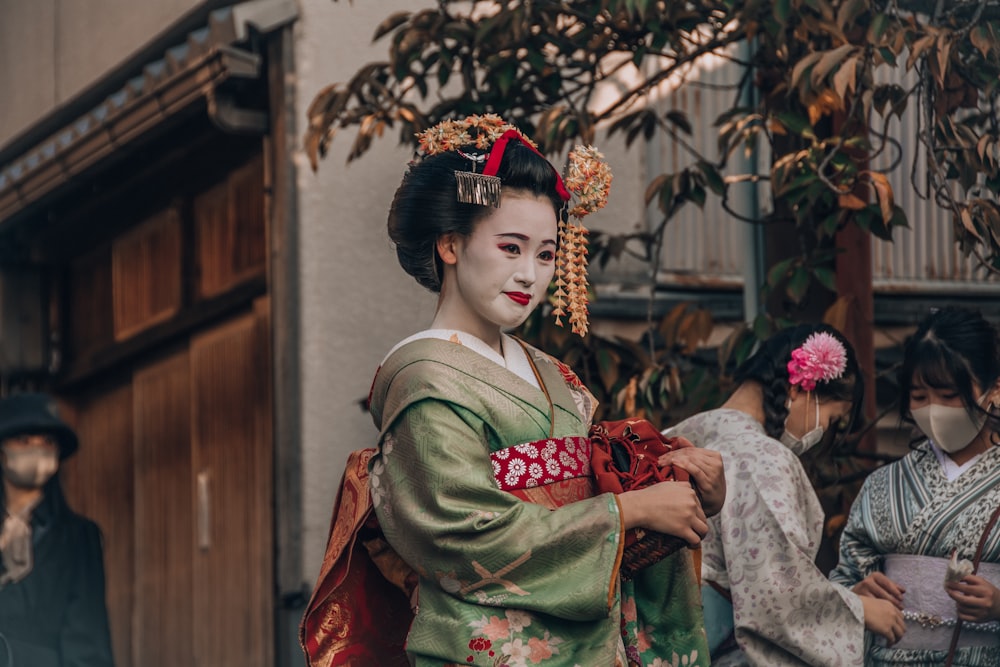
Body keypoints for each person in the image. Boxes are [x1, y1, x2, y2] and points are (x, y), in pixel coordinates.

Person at [301, 114, 726, 667]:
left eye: (547, 254)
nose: (530, 274)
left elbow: (602, 485)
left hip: (592, 644)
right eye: (510, 247)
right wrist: (627, 512)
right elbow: (461, 533)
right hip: (485, 646)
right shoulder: (425, 378)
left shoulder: (550, 373)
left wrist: (680, 487)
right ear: (451, 244)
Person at [665, 324, 905, 666]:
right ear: (801, 387)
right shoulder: (762, 458)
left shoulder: (681, 434)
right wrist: (859, 610)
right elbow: (774, 595)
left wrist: (842, 597)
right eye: (834, 419)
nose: (824, 435)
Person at [830, 306, 1000, 666]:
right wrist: (856, 594)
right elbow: (845, 576)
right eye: (920, 397)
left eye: (949, 394)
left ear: (994, 389)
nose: (933, 409)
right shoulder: (884, 484)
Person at [0, 392, 114, 667]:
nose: (36, 450)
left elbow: (88, 643)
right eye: (24, 440)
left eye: (47, 443)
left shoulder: (77, 537)